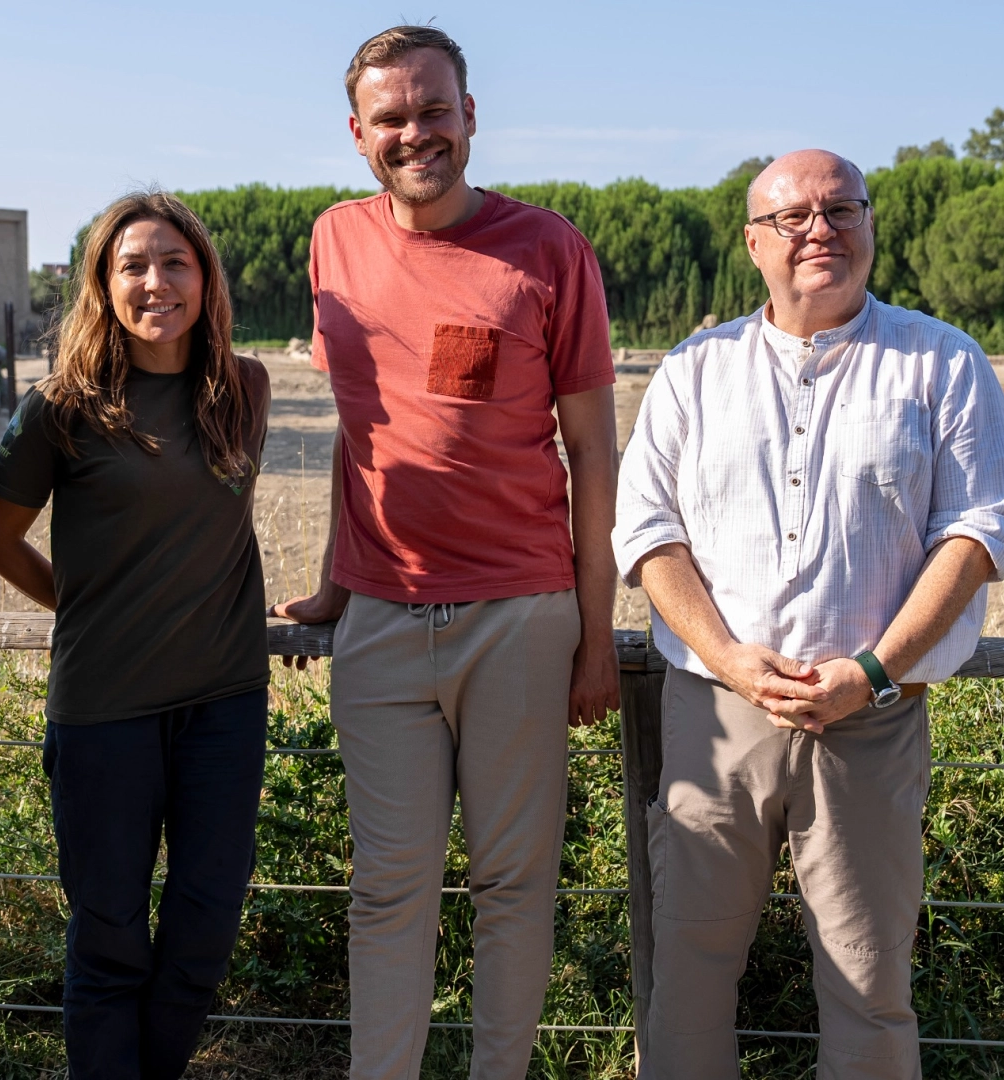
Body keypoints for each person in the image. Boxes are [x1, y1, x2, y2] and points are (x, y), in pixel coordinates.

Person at [612, 149, 1004, 1079]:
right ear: (754, 243)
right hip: (715, 715)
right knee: (687, 973)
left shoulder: (942, 363)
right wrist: (725, 657)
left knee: (868, 982)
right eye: (791, 218)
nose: (819, 231)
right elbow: (645, 530)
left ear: (871, 226)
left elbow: (973, 532)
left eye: (841, 209)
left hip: (870, 717)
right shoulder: (693, 372)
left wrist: (870, 671)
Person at [271, 26, 621, 1080]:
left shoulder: (549, 250)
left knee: (513, 885)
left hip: (519, 614)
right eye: (391, 117)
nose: (414, 132)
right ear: (357, 134)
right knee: (386, 887)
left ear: (471, 115)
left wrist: (594, 635)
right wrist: (336, 584)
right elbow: (361, 429)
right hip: (378, 620)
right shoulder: (332, 241)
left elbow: (594, 453)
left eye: (434, 110)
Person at [0, 191, 272, 1080]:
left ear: (204, 276)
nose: (155, 282)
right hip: (104, 712)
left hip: (225, 705)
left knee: (203, 928)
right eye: (132, 266)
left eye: (174, 262)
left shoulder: (243, 388)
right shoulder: (63, 407)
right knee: (108, 940)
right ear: (103, 286)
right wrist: (79, 601)